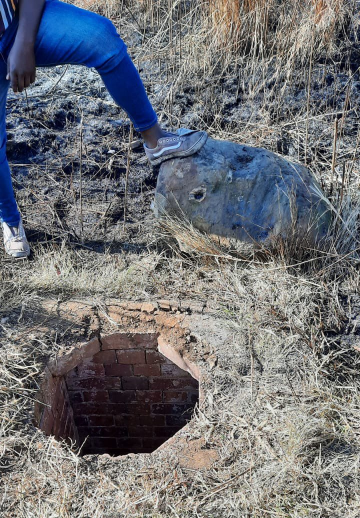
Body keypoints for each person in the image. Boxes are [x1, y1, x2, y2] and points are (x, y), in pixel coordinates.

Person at [0, 0, 207, 259]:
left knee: (100, 37)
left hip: (15, 23)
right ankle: (10, 220)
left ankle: (156, 141)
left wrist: (25, 42)